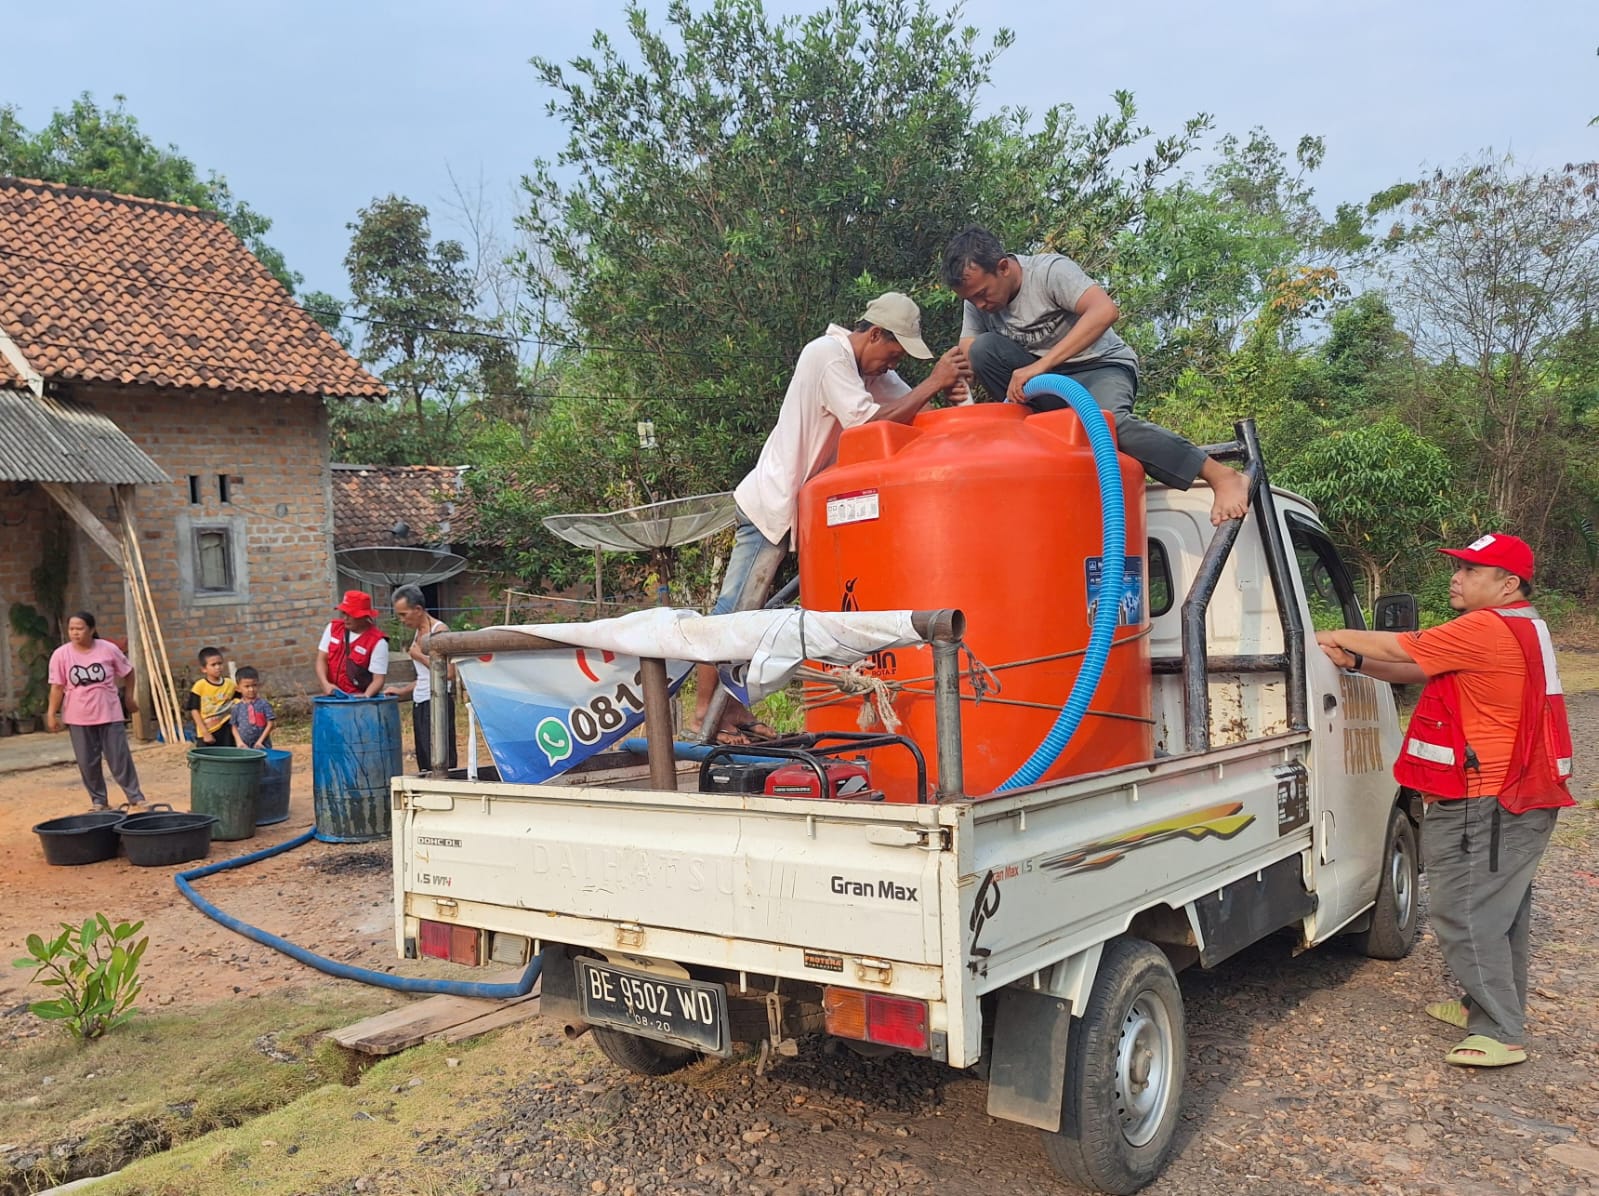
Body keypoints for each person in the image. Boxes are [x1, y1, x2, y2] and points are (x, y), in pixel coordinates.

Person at [1314, 533, 1574, 1068]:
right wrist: (1356, 663)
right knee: (1501, 912)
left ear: (1508, 585)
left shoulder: (1485, 627)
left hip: (1491, 799)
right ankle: (1485, 1007)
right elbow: (1414, 668)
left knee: (1464, 911)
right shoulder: (1520, 624)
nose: (1457, 577)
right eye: (1458, 567)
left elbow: (1401, 647)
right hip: (1507, 795)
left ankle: (1501, 1029)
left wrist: (1327, 634)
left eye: (1471, 571)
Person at [692, 292, 971, 741]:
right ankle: (706, 710)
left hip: (803, 513)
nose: (892, 365)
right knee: (734, 611)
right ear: (874, 333)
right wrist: (933, 383)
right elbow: (869, 425)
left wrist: (957, 395)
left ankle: (735, 711)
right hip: (771, 505)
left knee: (757, 614)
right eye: (893, 353)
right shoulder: (827, 356)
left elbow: (922, 417)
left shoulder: (873, 375)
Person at [941, 225, 1251, 526]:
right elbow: (970, 348)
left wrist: (1042, 365)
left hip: (1098, 366)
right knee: (983, 349)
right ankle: (1035, 441)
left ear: (1004, 267)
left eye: (983, 294)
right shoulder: (979, 302)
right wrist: (957, 378)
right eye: (972, 300)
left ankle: (1219, 475)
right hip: (1043, 386)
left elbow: (1105, 310)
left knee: (1106, 425)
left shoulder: (1049, 272)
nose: (980, 304)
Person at [45, 611, 148, 810]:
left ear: (91, 630)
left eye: (80, 628)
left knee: (119, 757)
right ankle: (98, 800)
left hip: (109, 713)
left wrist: (129, 697)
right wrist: (51, 714)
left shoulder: (108, 649)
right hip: (78, 716)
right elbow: (57, 687)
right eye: (71, 629)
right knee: (87, 762)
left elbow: (128, 672)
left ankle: (135, 796)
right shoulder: (61, 654)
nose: (75, 633)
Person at [383, 584, 458, 773]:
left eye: (403, 614)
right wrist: (403, 691)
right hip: (421, 700)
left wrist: (420, 657)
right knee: (425, 759)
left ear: (418, 609)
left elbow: (449, 673)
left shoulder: (439, 631)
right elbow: (425, 677)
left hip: (437, 702)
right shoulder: (418, 633)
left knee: (441, 760)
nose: (402, 620)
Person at [316, 590, 389, 697]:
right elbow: (321, 659)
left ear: (364, 616)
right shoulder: (333, 628)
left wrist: (365, 696)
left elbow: (378, 679)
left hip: (357, 700)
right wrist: (325, 684)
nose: (345, 618)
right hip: (332, 697)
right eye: (344, 613)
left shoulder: (377, 642)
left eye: (351, 614)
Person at [186, 646, 237, 746]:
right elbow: (194, 711)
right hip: (207, 731)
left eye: (220, 663)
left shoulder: (230, 684)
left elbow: (239, 701)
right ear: (204, 669)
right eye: (213, 665)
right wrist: (205, 733)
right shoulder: (199, 686)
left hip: (226, 730)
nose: (218, 667)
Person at [230, 666, 276, 750]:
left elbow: (270, 723)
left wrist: (260, 741)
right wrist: (239, 742)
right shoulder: (236, 707)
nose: (251, 689)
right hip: (244, 747)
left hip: (262, 745)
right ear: (238, 688)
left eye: (254, 685)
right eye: (247, 686)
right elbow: (234, 726)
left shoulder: (264, 704)